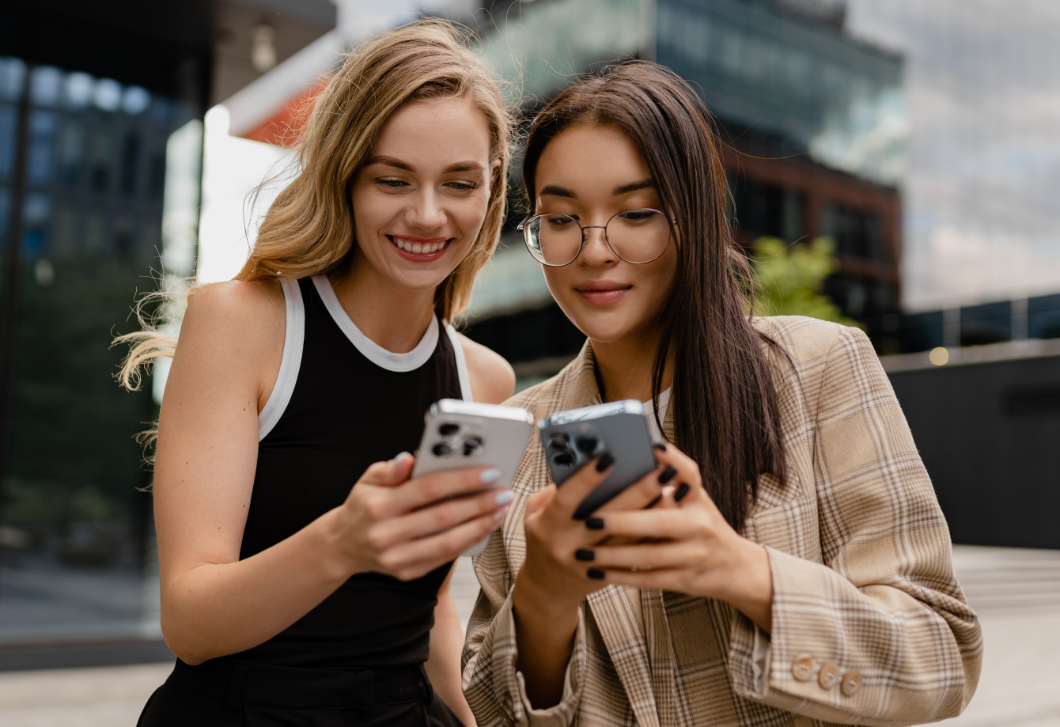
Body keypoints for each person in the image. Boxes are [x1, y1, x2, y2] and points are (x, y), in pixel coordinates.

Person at [462, 61, 982, 727]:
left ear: (693, 214)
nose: (593, 250)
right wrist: (542, 600)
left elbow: (942, 655)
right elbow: (487, 710)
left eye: (636, 212)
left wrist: (740, 570)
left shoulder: (818, 366)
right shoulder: (519, 432)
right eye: (561, 218)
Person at [119, 21, 515, 727]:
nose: (428, 214)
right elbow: (189, 620)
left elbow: (427, 618)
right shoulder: (242, 323)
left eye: (459, 183)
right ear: (345, 176)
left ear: (491, 188)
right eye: (393, 179)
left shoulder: (481, 378)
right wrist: (343, 541)